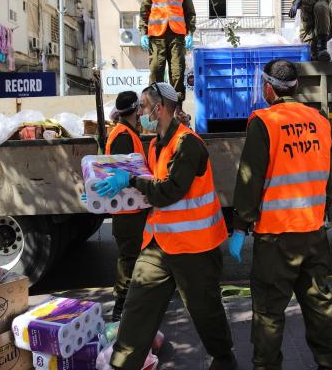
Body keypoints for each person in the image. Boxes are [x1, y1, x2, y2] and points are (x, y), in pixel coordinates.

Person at [94, 82, 237, 370]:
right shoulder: (158, 144)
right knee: (137, 307)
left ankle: (224, 358)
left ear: (158, 109)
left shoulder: (188, 144)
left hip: (195, 247)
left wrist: (130, 181)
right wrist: (100, 194)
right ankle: (122, 364)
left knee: (204, 311)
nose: (141, 113)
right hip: (159, 244)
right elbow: (150, 191)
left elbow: (169, 191)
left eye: (144, 107)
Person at [228, 59, 332, 370]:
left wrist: (240, 227)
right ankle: (329, 364)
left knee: (268, 312)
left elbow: (250, 179)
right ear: (297, 87)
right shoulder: (320, 120)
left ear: (268, 88)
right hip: (314, 233)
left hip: (277, 238)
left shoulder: (265, 122)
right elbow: (326, 176)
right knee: (319, 305)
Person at [104, 91, 149, 322]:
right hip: (127, 211)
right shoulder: (123, 135)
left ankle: (128, 307)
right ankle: (121, 310)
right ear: (135, 110)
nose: (143, 111)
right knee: (129, 259)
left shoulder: (127, 132)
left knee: (132, 258)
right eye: (141, 107)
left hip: (131, 209)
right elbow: (124, 174)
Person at [139, 0, 196, 109]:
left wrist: (190, 33)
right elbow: (144, 11)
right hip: (157, 36)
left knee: (177, 72)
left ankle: (176, 108)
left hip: (177, 35)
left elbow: (189, 11)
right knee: (156, 69)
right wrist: (143, 33)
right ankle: (154, 105)